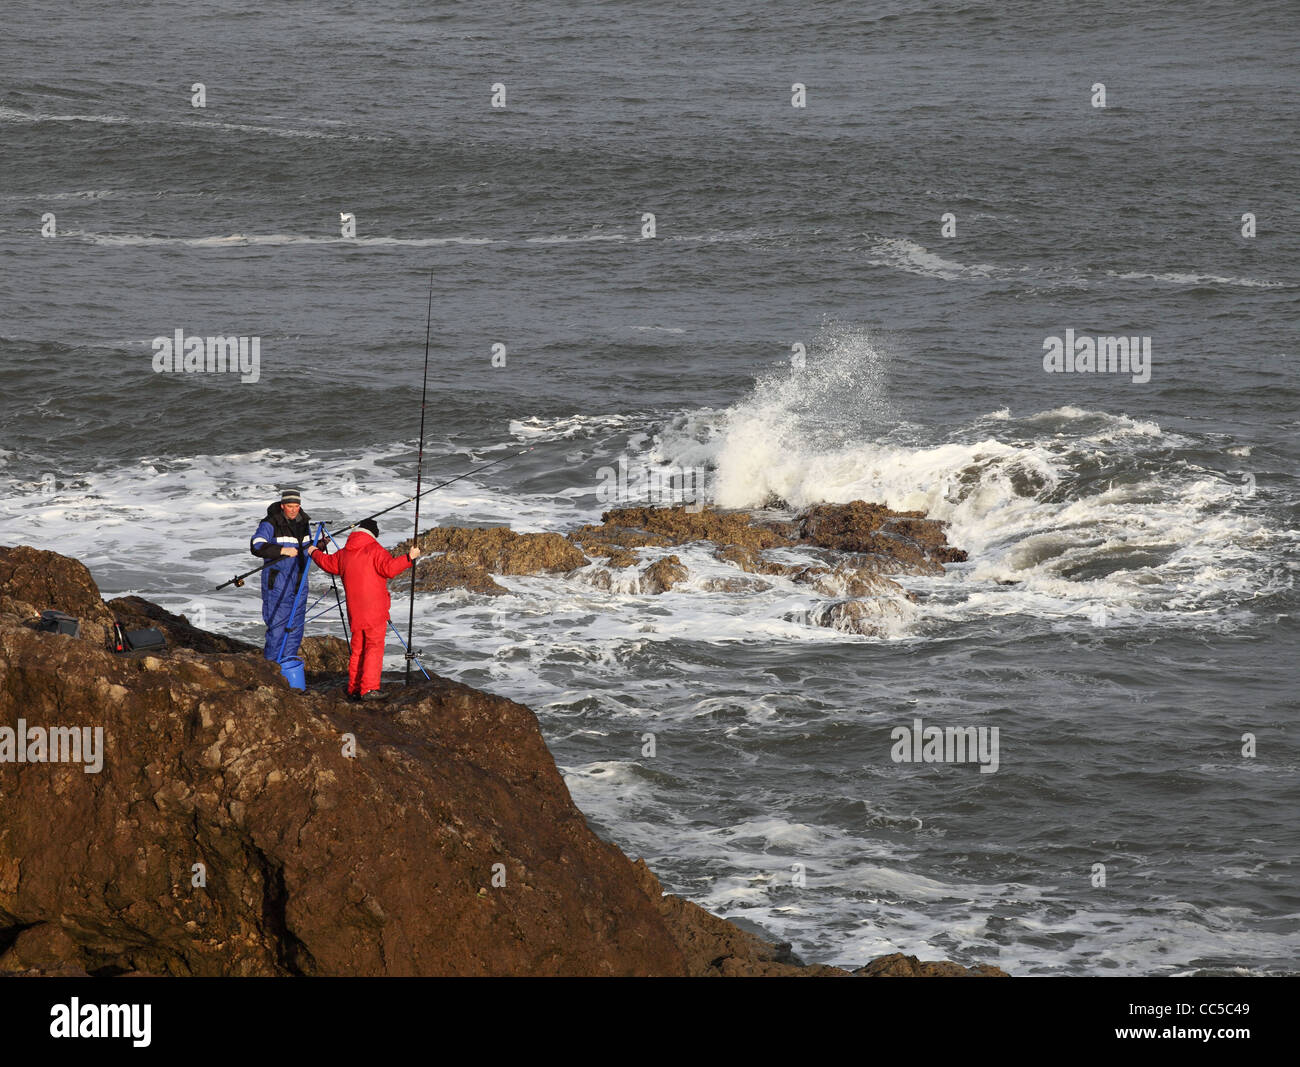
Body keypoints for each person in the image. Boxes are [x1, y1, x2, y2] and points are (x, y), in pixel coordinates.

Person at [309, 519, 421, 700]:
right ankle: (369, 689)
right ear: (372, 534)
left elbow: (328, 563)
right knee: (373, 648)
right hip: (374, 610)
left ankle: (354, 687)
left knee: (358, 649)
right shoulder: (375, 550)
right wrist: (409, 558)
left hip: (355, 610)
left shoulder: (345, 553)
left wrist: (313, 551)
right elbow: (390, 569)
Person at [249, 487, 315, 662]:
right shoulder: (270, 523)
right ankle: (272, 667)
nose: (293, 510)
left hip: (299, 581)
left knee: (296, 627)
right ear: (282, 506)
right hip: (278, 582)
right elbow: (256, 545)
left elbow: (306, 549)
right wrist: (282, 550)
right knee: (277, 627)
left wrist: (320, 545)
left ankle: (288, 666)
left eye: (296, 506)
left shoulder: (304, 523)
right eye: (290, 506)